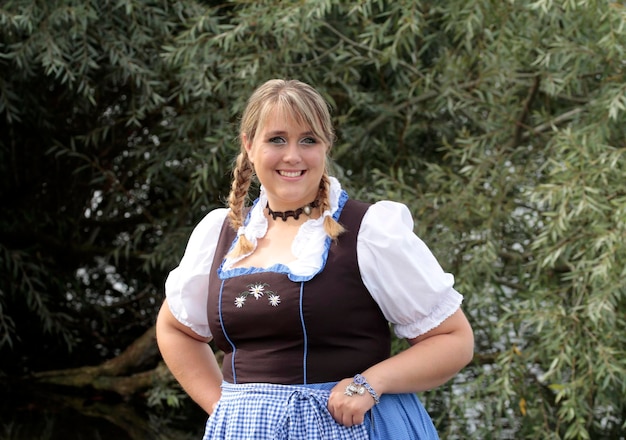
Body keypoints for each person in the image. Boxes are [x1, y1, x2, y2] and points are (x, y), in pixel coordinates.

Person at [155, 78, 474, 439]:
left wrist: (369, 383)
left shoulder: (368, 231)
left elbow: (454, 339)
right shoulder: (220, 233)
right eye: (277, 139)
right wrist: (226, 409)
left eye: (308, 140)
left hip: (355, 429)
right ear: (248, 144)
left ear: (326, 146)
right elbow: (175, 328)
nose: (293, 155)